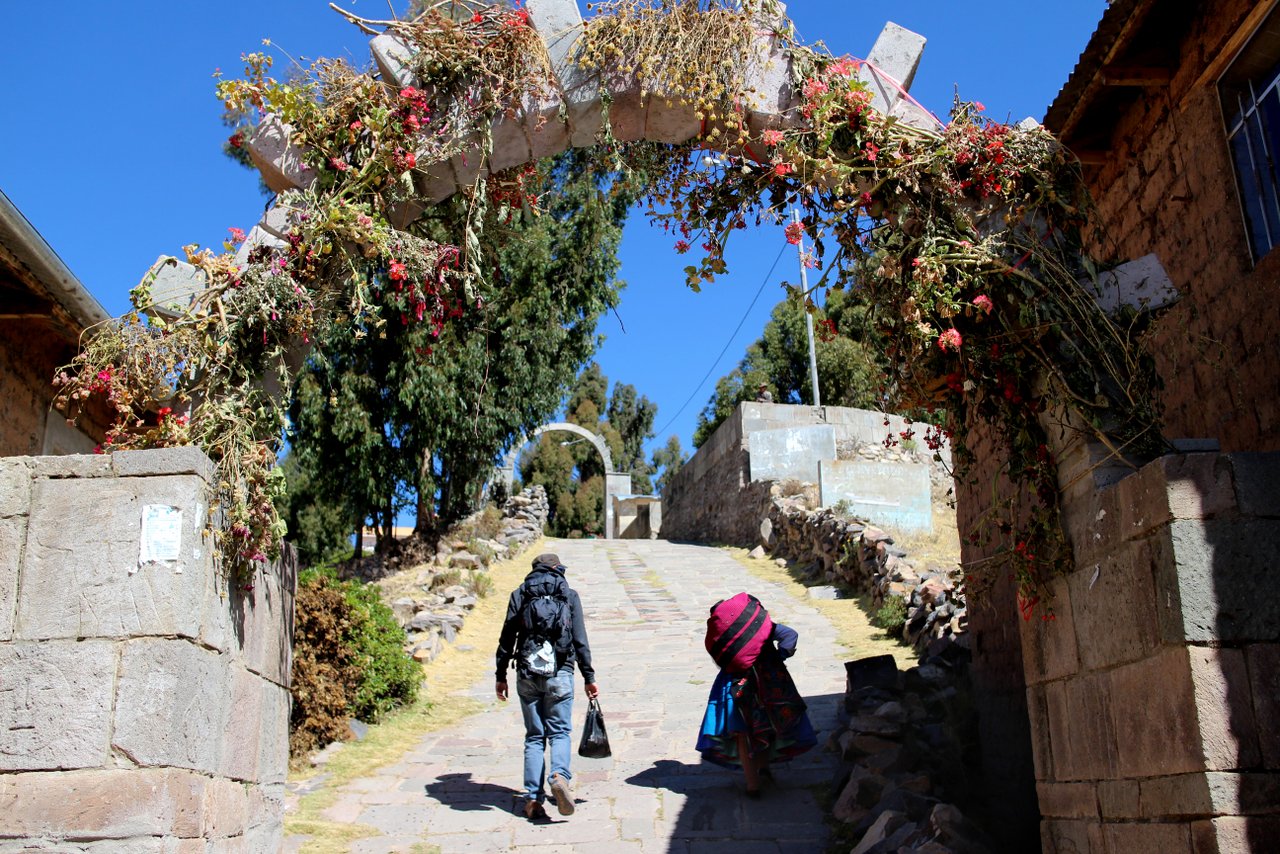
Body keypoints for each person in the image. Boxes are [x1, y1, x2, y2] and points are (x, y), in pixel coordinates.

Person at [496, 552, 599, 821]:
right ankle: (559, 776)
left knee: (533, 736)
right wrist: (589, 677)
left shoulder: (520, 594)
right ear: (557, 569)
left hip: (528, 673)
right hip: (561, 671)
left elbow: (507, 638)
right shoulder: (569, 595)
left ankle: (532, 799)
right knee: (560, 731)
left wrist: (500, 674)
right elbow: (580, 640)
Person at [697, 597, 817, 797]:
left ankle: (752, 785)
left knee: (742, 732)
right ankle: (764, 769)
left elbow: (722, 660)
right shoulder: (763, 627)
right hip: (770, 683)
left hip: (736, 686)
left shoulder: (721, 637)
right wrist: (780, 656)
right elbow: (790, 636)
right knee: (767, 725)